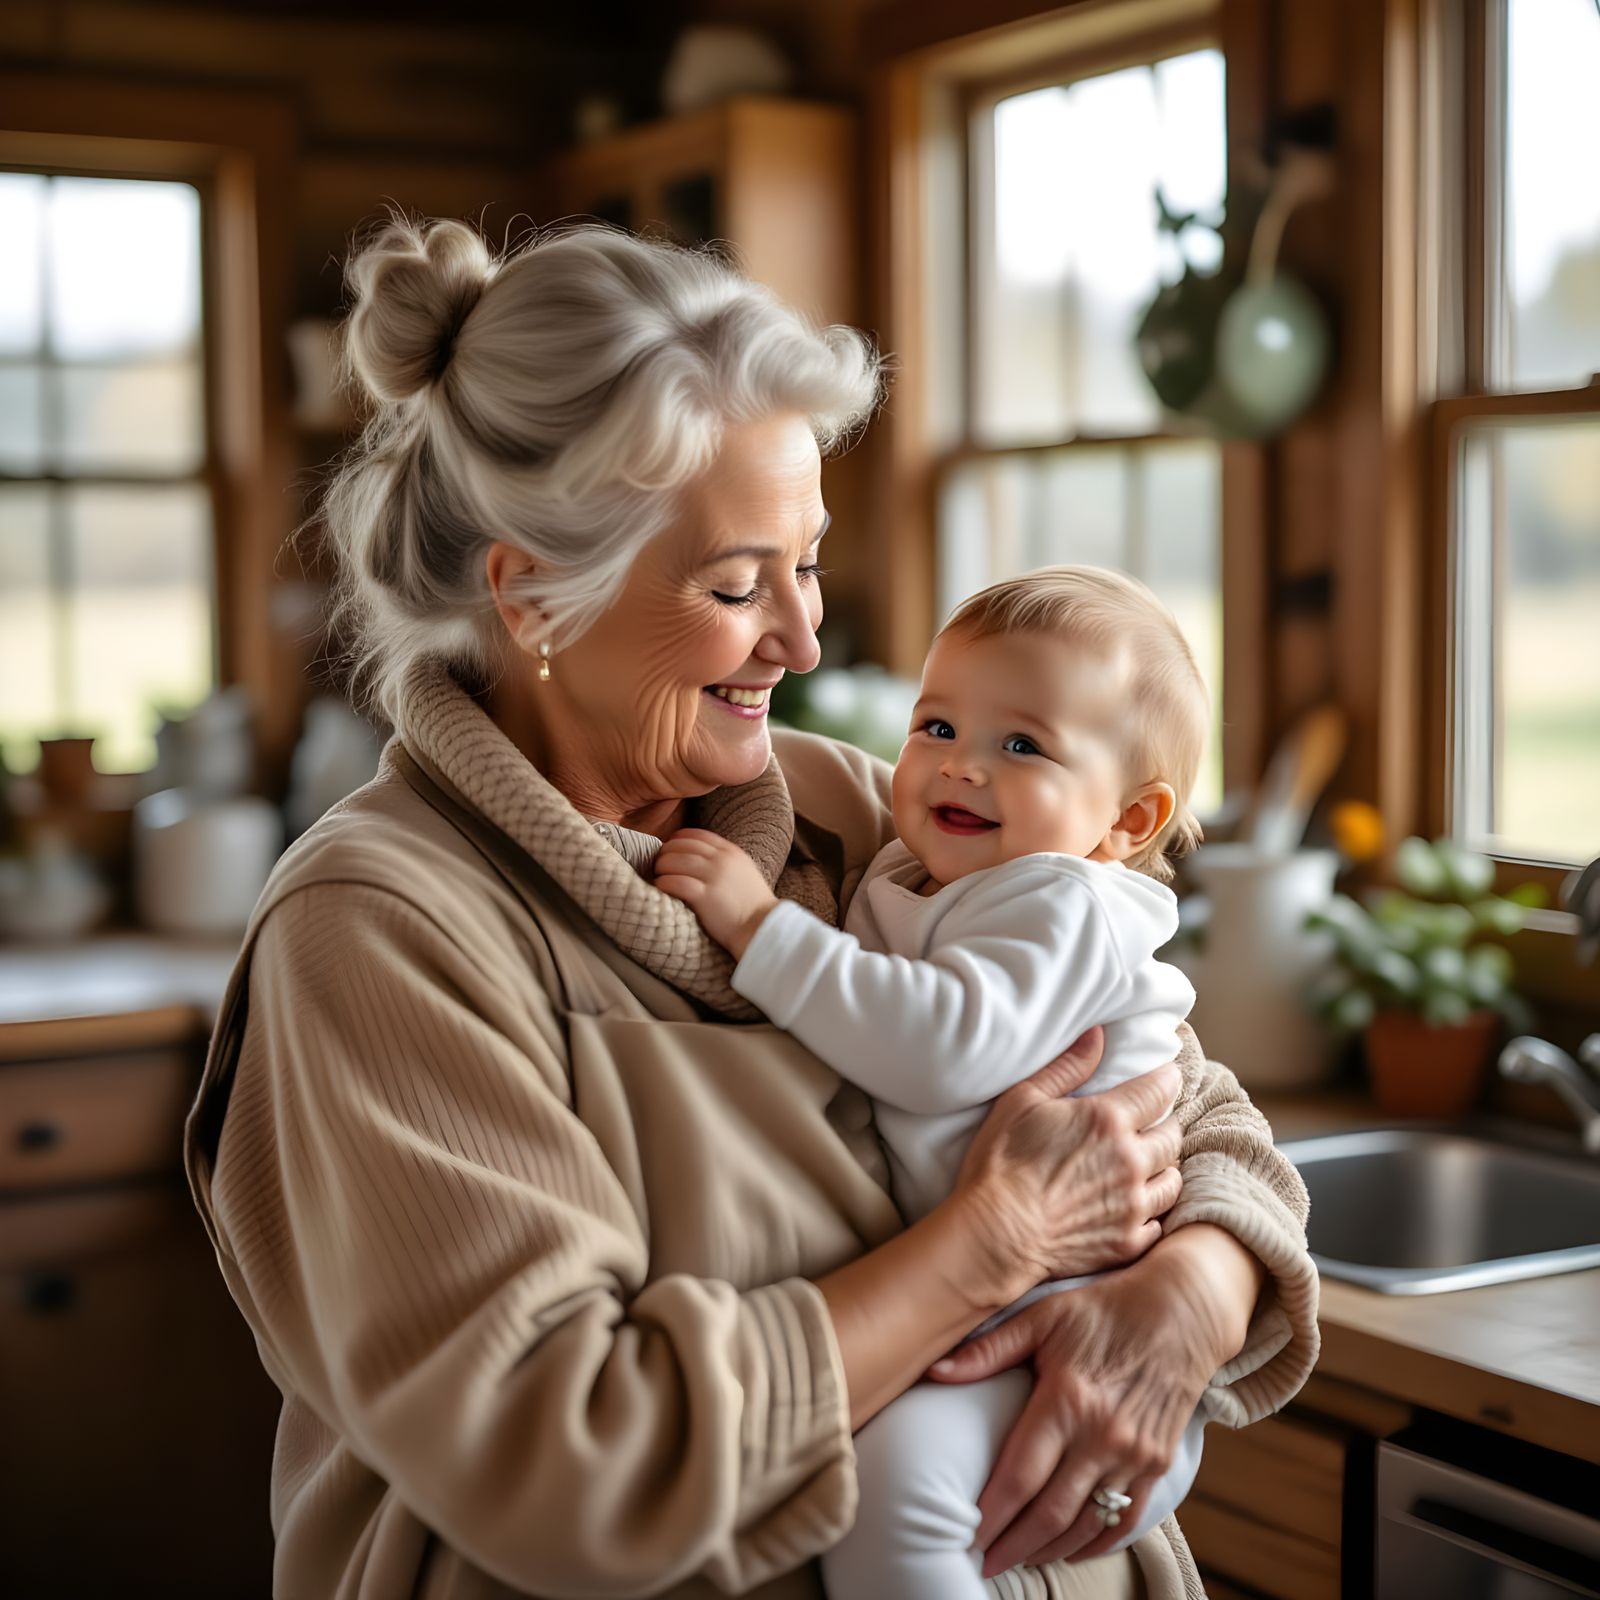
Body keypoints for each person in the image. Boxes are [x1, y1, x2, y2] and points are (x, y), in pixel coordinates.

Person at [183, 217, 1320, 1600]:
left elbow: (1180, 1094)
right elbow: (573, 1463)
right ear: (534, 595)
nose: (806, 637)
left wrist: (1193, 1289)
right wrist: (994, 1246)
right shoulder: (380, 932)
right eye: (736, 586)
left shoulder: (865, 814)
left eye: (809, 560)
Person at [656, 564, 1217, 1597]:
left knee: (892, 1487)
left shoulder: (1060, 898)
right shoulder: (923, 868)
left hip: (1077, 1335)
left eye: (1022, 745)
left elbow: (940, 1047)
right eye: (935, 727)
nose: (959, 769)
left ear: (1128, 823)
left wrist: (758, 929)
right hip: (988, 1327)